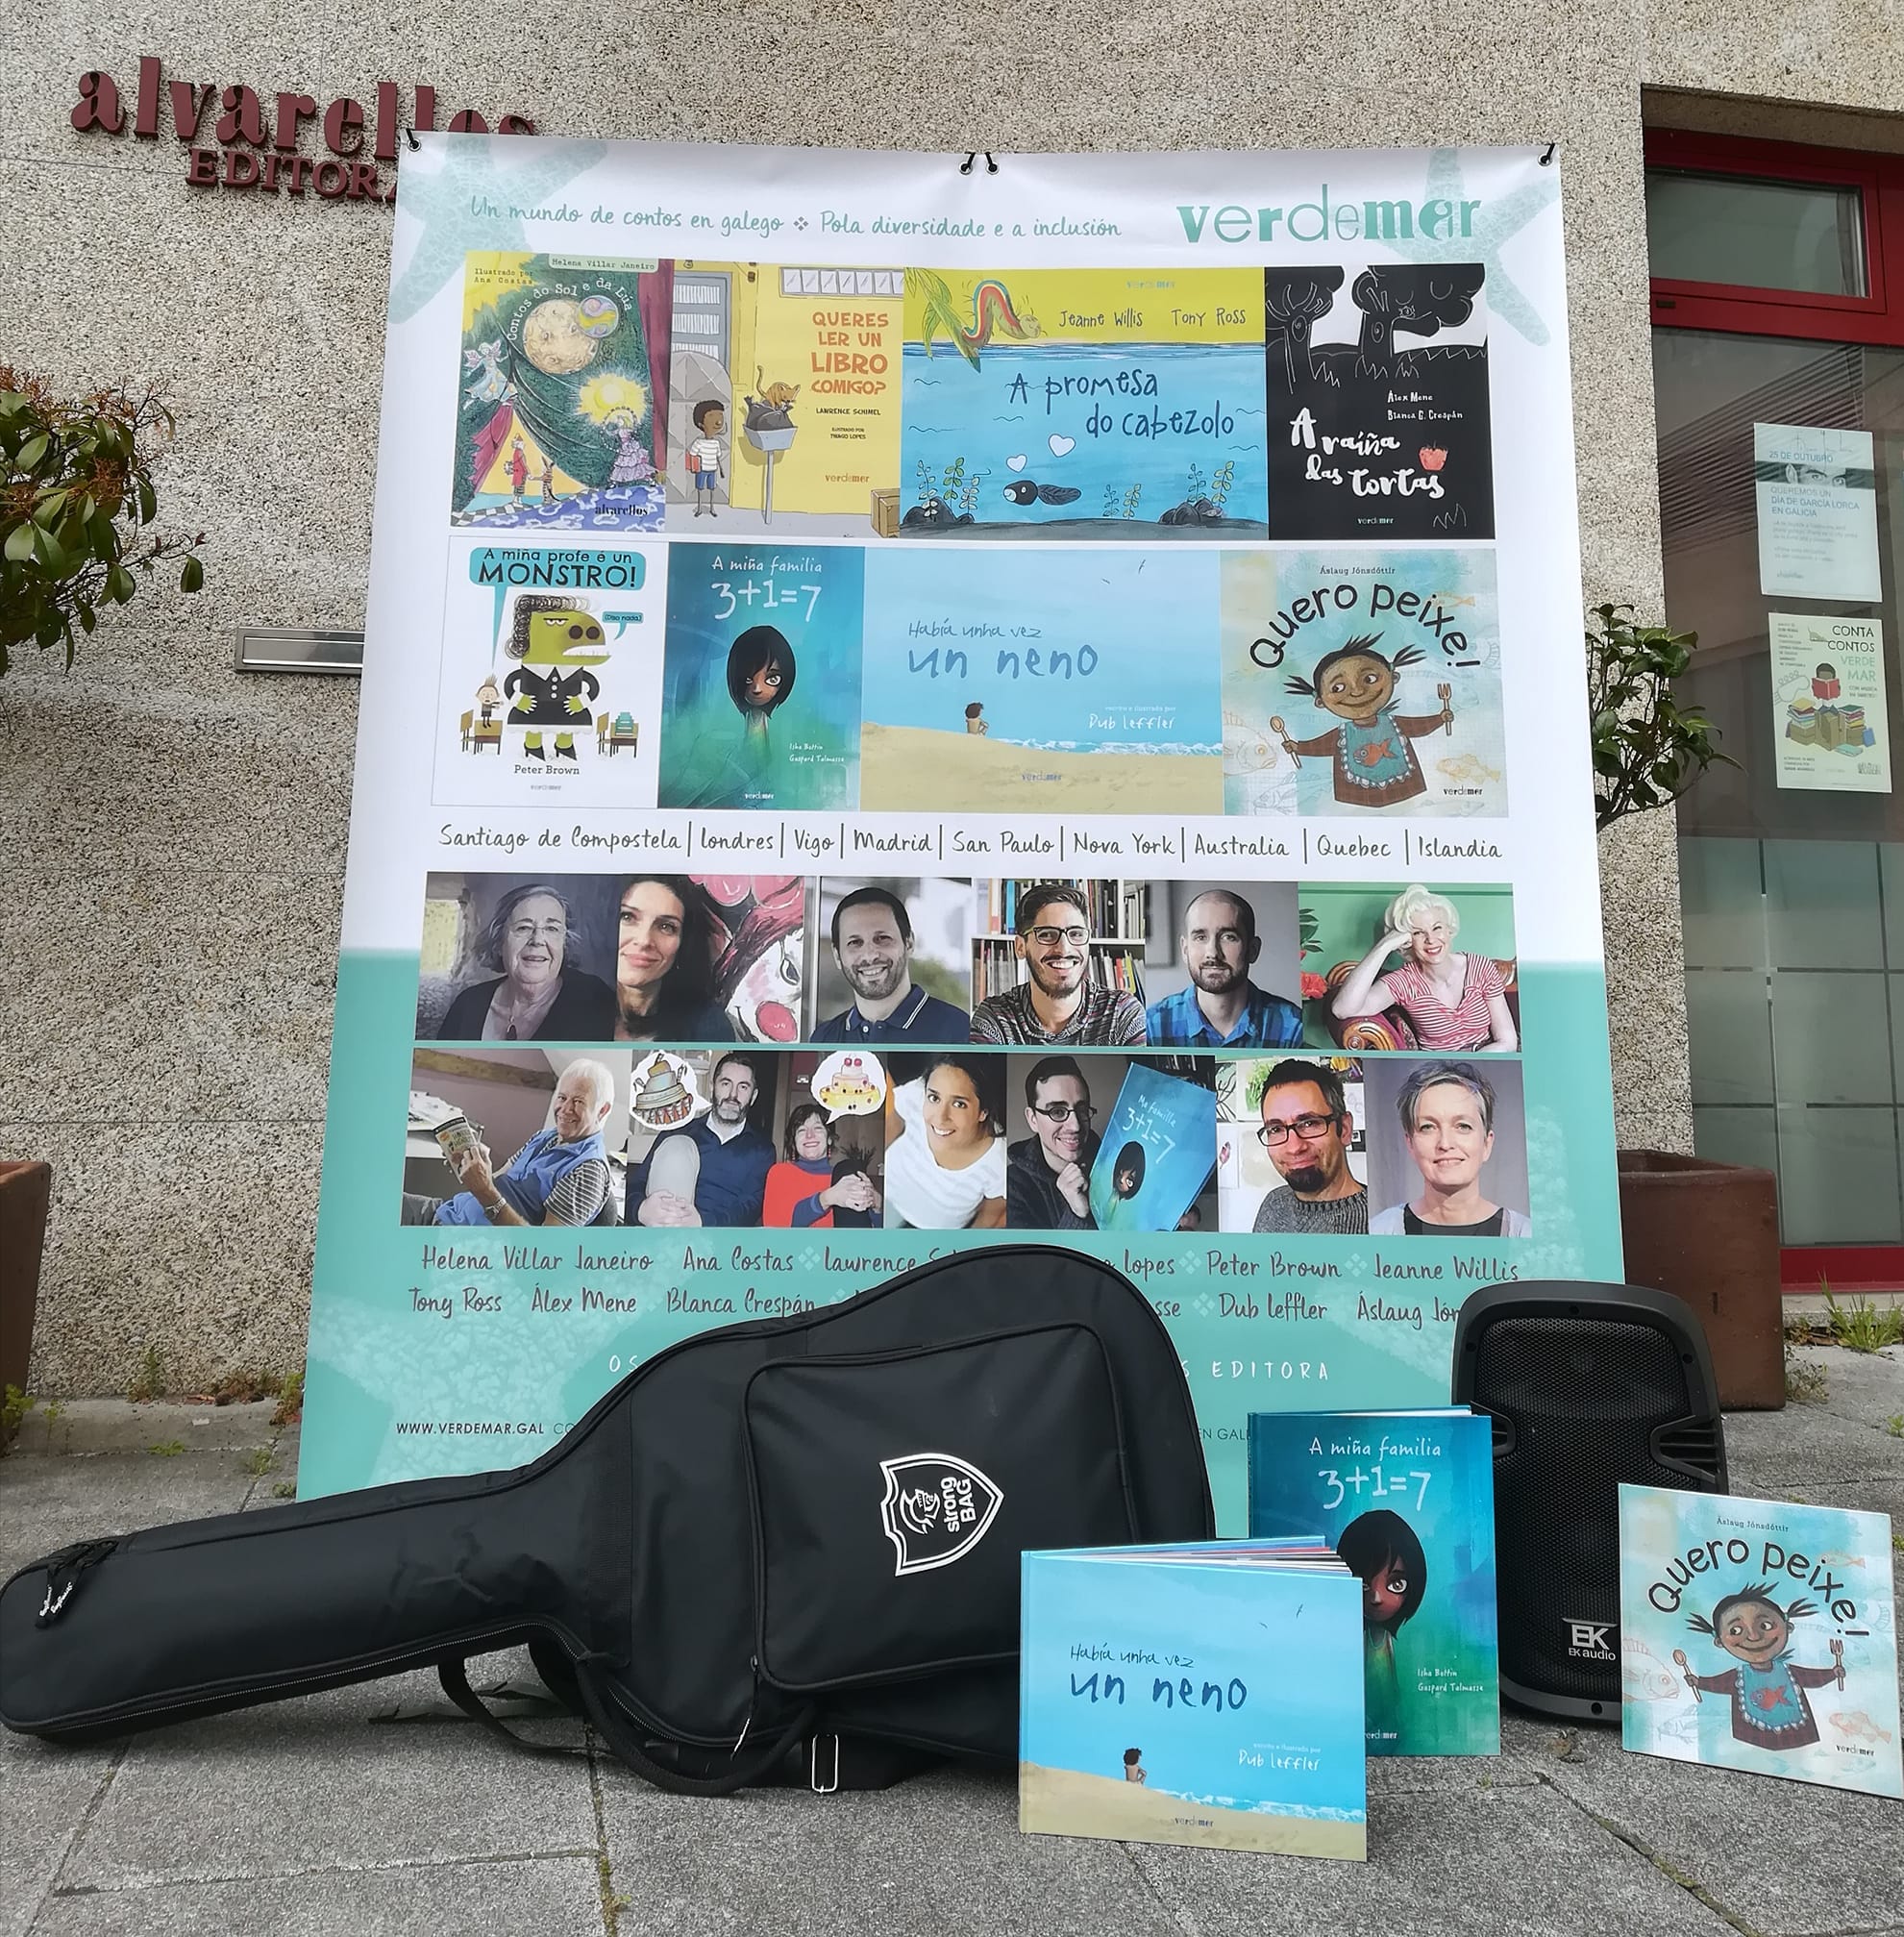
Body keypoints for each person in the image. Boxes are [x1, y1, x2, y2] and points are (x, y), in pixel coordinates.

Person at [401, 1058, 615, 1228]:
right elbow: (498, 1179)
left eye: (578, 1101)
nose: (565, 1109)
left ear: (602, 1110)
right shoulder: (545, 1137)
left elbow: (542, 1252)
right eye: (562, 1097)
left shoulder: (588, 1171)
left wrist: (484, 1190)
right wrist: (475, 1168)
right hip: (446, 1211)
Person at [1331, 885, 1517, 1053]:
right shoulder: (1405, 982)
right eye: (1418, 932)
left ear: (1449, 930)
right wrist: (1384, 946)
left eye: (1437, 928)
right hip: (1438, 1070)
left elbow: (1507, 1042)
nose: (1431, 940)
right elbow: (1342, 1010)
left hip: (1489, 1057)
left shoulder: (1480, 967)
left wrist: (1477, 1063)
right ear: (1406, 940)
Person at [1274, 637, 1452, 809]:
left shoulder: (1394, 724)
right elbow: (1320, 746)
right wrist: (1298, 747)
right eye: (1338, 688)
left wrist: (1440, 718)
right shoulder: (1342, 735)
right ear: (1320, 702)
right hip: (1354, 802)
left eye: (1369, 679)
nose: (1358, 691)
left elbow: (1418, 727)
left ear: (1393, 677)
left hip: (1406, 794)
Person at [970, 884, 1146, 1048]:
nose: (1064, 949)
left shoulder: (1121, 1013)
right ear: (1020, 947)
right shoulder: (994, 1018)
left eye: (1076, 934)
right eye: (1047, 934)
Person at [434, 883, 615, 1042]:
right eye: (524, 928)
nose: (537, 940)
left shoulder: (596, 1000)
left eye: (551, 928)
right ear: (499, 941)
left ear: (565, 943)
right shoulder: (468, 1004)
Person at [1675, 1585, 1845, 1751]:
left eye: (1765, 1625)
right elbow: (1718, 1683)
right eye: (1736, 1630)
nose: (1754, 1636)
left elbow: (1810, 1677)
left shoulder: (1789, 1672)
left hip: (1798, 1738)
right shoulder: (1738, 1677)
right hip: (1750, 1744)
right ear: (1719, 1641)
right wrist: (1698, 1682)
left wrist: (1833, 1673)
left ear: (1788, 1627)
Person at [1372, 1059, 1530, 1236]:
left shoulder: (1523, 1234)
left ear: (1487, 1143)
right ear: (1410, 1144)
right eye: (1428, 1127)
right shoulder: (1379, 1232)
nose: (1445, 1144)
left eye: (1463, 1126)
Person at [1146, 889, 1302, 1049]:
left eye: (1228, 937)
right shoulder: (1151, 1026)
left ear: (1253, 950)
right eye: (1200, 937)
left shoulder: (1294, 1027)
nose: (1213, 953)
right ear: (1185, 950)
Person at [631, 1052, 772, 1227]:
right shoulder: (677, 1131)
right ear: (713, 1087)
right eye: (725, 1083)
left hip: (720, 1238)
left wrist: (702, 1222)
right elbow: (635, 1185)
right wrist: (640, 1210)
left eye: (743, 1087)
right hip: (665, 1231)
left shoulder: (762, 1150)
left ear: (753, 1096)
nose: (732, 1095)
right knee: (678, 1145)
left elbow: (750, 1208)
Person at [813, 885, 970, 1043]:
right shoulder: (823, 1039)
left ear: (909, 943)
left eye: (882, 938)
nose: (870, 956)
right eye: (855, 942)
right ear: (837, 956)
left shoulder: (959, 1031)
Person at [1338, 1509, 1427, 1750]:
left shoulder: (1387, 1639)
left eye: (1396, 1584)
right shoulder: (1355, 1640)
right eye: (1363, 1584)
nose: (1377, 1597)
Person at [884, 1055, 1006, 1229]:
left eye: (959, 1104)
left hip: (933, 1234)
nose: (940, 1118)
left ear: (983, 1112)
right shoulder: (917, 1093)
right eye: (934, 1098)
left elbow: (989, 1220)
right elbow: (892, 1126)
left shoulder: (998, 1162)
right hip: (885, 1194)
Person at [1249, 1058, 1368, 1234]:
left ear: (1344, 1129)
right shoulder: (1273, 1205)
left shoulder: (1382, 1222)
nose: (1294, 1148)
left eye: (1309, 1123)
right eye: (1276, 1129)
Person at [612, 875, 733, 1042]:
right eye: (628, 917)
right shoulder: (577, 1008)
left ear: (683, 942)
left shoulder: (708, 1027)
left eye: (666, 927)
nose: (644, 940)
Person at [1005, 1055, 1099, 1229]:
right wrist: (1076, 1214)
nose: (1076, 1126)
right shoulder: (1009, 1188)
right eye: (1057, 1112)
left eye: (1082, 1110)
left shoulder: (1112, 1162)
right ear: (1032, 1119)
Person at [761, 1102, 881, 1229]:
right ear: (794, 1141)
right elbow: (774, 1228)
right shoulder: (780, 1173)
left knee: (847, 1168)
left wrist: (877, 1204)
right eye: (801, 1130)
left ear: (829, 1138)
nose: (809, 1135)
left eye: (818, 1128)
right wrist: (826, 1198)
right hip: (794, 1242)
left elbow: (878, 1234)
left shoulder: (845, 1178)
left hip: (845, 1242)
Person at [687, 398, 726, 515]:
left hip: (712, 470)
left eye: (720, 415)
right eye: (711, 416)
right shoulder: (698, 443)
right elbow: (692, 455)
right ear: (701, 424)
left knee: (712, 489)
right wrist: (693, 468)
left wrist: (721, 470)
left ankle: (712, 508)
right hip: (702, 470)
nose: (718, 422)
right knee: (700, 489)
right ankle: (699, 508)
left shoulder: (716, 443)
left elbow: (718, 458)